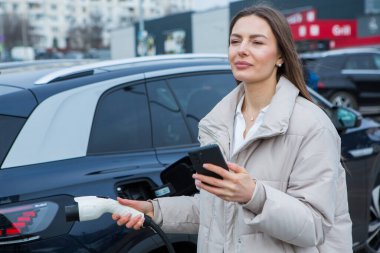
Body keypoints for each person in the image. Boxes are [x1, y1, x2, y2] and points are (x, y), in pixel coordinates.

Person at [112, 4, 352, 253]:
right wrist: (154, 210)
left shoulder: (312, 125)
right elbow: (218, 212)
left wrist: (253, 195)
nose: (242, 50)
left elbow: (315, 226)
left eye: (256, 42)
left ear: (281, 56)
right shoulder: (216, 123)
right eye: (235, 41)